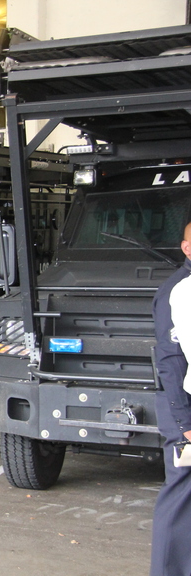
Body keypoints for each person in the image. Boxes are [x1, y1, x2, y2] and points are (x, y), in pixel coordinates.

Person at [151, 221, 191, 576]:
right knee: (181, 494)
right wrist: (185, 424)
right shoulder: (177, 290)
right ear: (186, 248)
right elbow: (170, 360)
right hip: (184, 408)